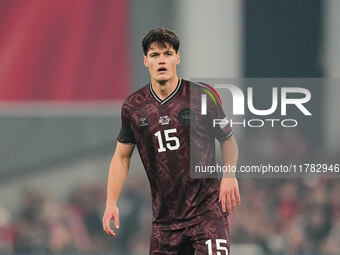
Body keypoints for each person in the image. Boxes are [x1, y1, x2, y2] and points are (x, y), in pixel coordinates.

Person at [102, 27, 241, 255]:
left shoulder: (202, 96)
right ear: (145, 61)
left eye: (167, 53)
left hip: (207, 215)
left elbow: (228, 140)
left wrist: (229, 175)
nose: (161, 60)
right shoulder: (133, 106)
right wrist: (110, 202)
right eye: (155, 55)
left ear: (178, 57)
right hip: (165, 224)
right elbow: (121, 157)